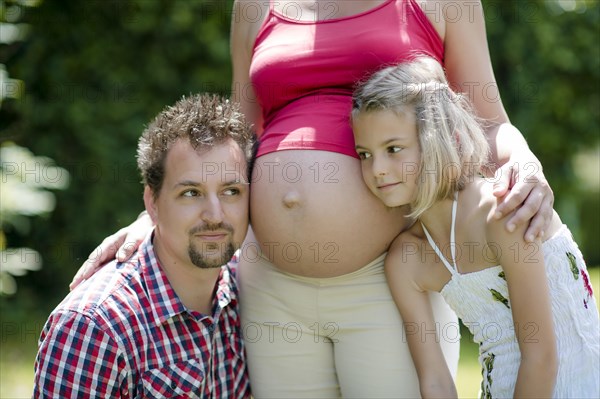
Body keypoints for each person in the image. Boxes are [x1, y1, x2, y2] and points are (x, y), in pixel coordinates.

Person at [71, 1, 555, 397]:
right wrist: (155, 211)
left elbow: (487, 121)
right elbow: (232, 140)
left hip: (388, 276)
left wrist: (527, 162)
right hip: (272, 285)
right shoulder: (255, 7)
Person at [351, 56, 600, 398]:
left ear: (444, 139)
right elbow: (435, 380)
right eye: (364, 154)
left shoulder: (502, 213)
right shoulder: (406, 260)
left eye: (393, 148)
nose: (377, 168)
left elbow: (541, 357)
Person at [34, 94, 254, 398]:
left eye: (231, 191)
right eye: (191, 193)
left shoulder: (251, 289)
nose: (215, 215)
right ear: (152, 203)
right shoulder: (94, 327)